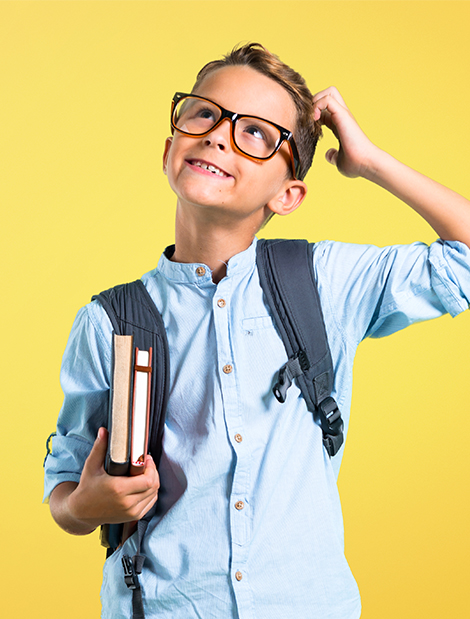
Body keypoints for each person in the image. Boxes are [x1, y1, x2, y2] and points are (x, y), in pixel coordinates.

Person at [44, 43, 470, 619]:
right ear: (169, 150)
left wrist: (370, 161)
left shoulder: (323, 281)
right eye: (204, 114)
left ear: (287, 195)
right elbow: (66, 481)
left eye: (255, 133)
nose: (219, 136)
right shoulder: (110, 321)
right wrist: (84, 507)